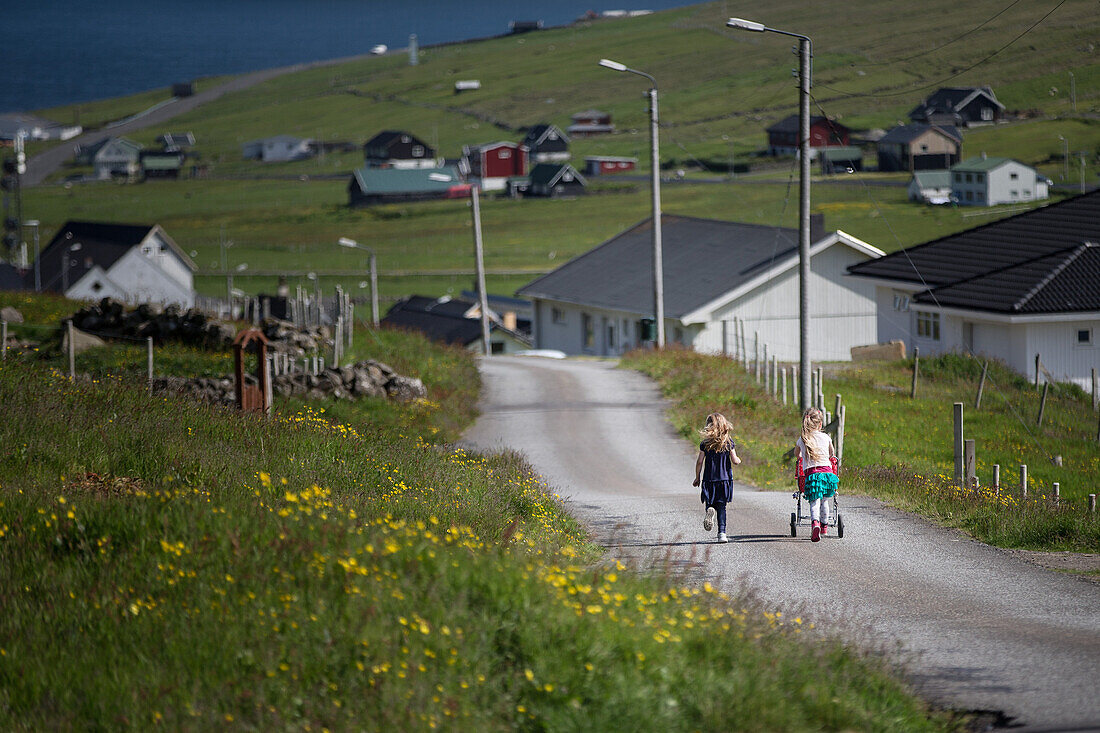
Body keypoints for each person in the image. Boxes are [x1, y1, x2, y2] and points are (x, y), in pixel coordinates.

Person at [692, 412, 741, 543]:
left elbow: (699, 462)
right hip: (724, 480)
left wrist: (697, 477)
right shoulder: (729, 443)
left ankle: (709, 509)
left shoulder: (705, 444)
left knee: (710, 502)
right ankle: (722, 534)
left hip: (709, 480)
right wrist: (739, 460)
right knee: (722, 507)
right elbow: (735, 460)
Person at [796, 407, 837, 542]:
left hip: (812, 475)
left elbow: (797, 455)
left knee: (814, 501)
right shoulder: (826, 437)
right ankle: (824, 526)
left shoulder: (802, 440)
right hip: (827, 474)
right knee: (825, 500)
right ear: (820, 424)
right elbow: (832, 453)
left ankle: (815, 523)